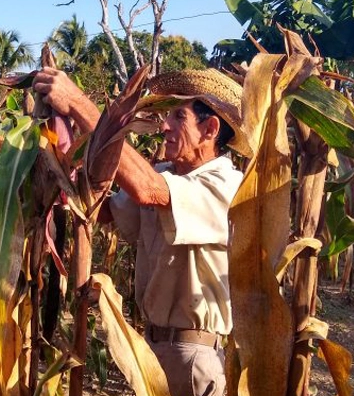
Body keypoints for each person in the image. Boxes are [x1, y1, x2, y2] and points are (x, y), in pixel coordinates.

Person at [33, 67, 245, 396]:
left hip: (193, 358)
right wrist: (59, 155)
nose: (164, 126)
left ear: (210, 129)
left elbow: (147, 190)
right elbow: (101, 210)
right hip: (149, 350)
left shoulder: (227, 186)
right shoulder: (165, 173)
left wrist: (78, 103)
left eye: (179, 116)